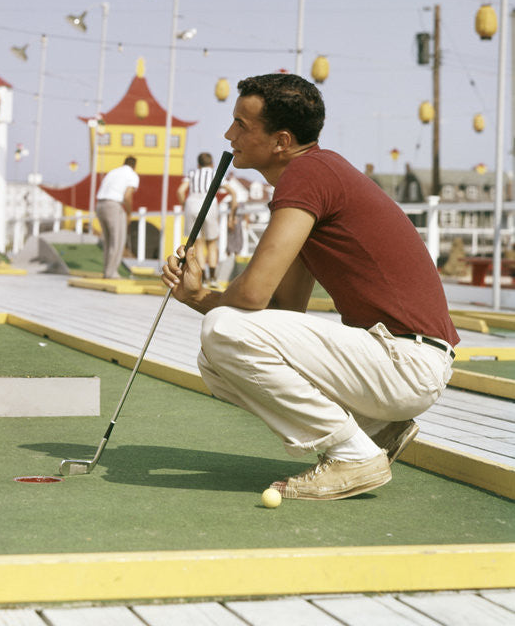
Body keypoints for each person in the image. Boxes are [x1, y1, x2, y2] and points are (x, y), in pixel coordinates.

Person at [162, 73, 458, 501]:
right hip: (403, 360)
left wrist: (197, 297)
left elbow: (251, 297)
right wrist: (203, 298)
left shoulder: (307, 174)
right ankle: (377, 430)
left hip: (406, 361)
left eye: (242, 125)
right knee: (215, 360)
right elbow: (283, 307)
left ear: (281, 141)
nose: (230, 134)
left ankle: (354, 455)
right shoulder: (314, 172)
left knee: (223, 329)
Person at [177, 152, 237, 283]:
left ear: (198, 164)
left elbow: (181, 191)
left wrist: (184, 205)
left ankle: (203, 276)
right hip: (209, 204)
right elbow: (232, 192)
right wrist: (232, 214)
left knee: (198, 242)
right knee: (211, 242)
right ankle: (213, 276)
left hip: (191, 203)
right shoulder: (215, 173)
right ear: (212, 163)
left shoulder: (192, 174)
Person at [95, 156, 139, 279]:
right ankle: (111, 273)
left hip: (100, 205)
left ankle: (106, 271)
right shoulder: (132, 175)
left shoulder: (113, 172)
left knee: (108, 241)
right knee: (118, 241)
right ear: (134, 166)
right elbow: (127, 196)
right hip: (113, 205)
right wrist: (129, 214)